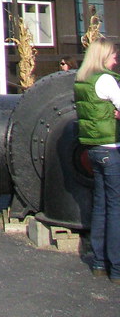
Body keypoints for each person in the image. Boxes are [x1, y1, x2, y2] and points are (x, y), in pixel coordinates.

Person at [74, 38, 120, 281]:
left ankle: (100, 262)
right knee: (116, 208)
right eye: (113, 55)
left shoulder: (82, 80)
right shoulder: (106, 80)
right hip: (111, 149)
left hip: (93, 149)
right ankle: (118, 266)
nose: (116, 60)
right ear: (103, 56)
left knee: (101, 206)